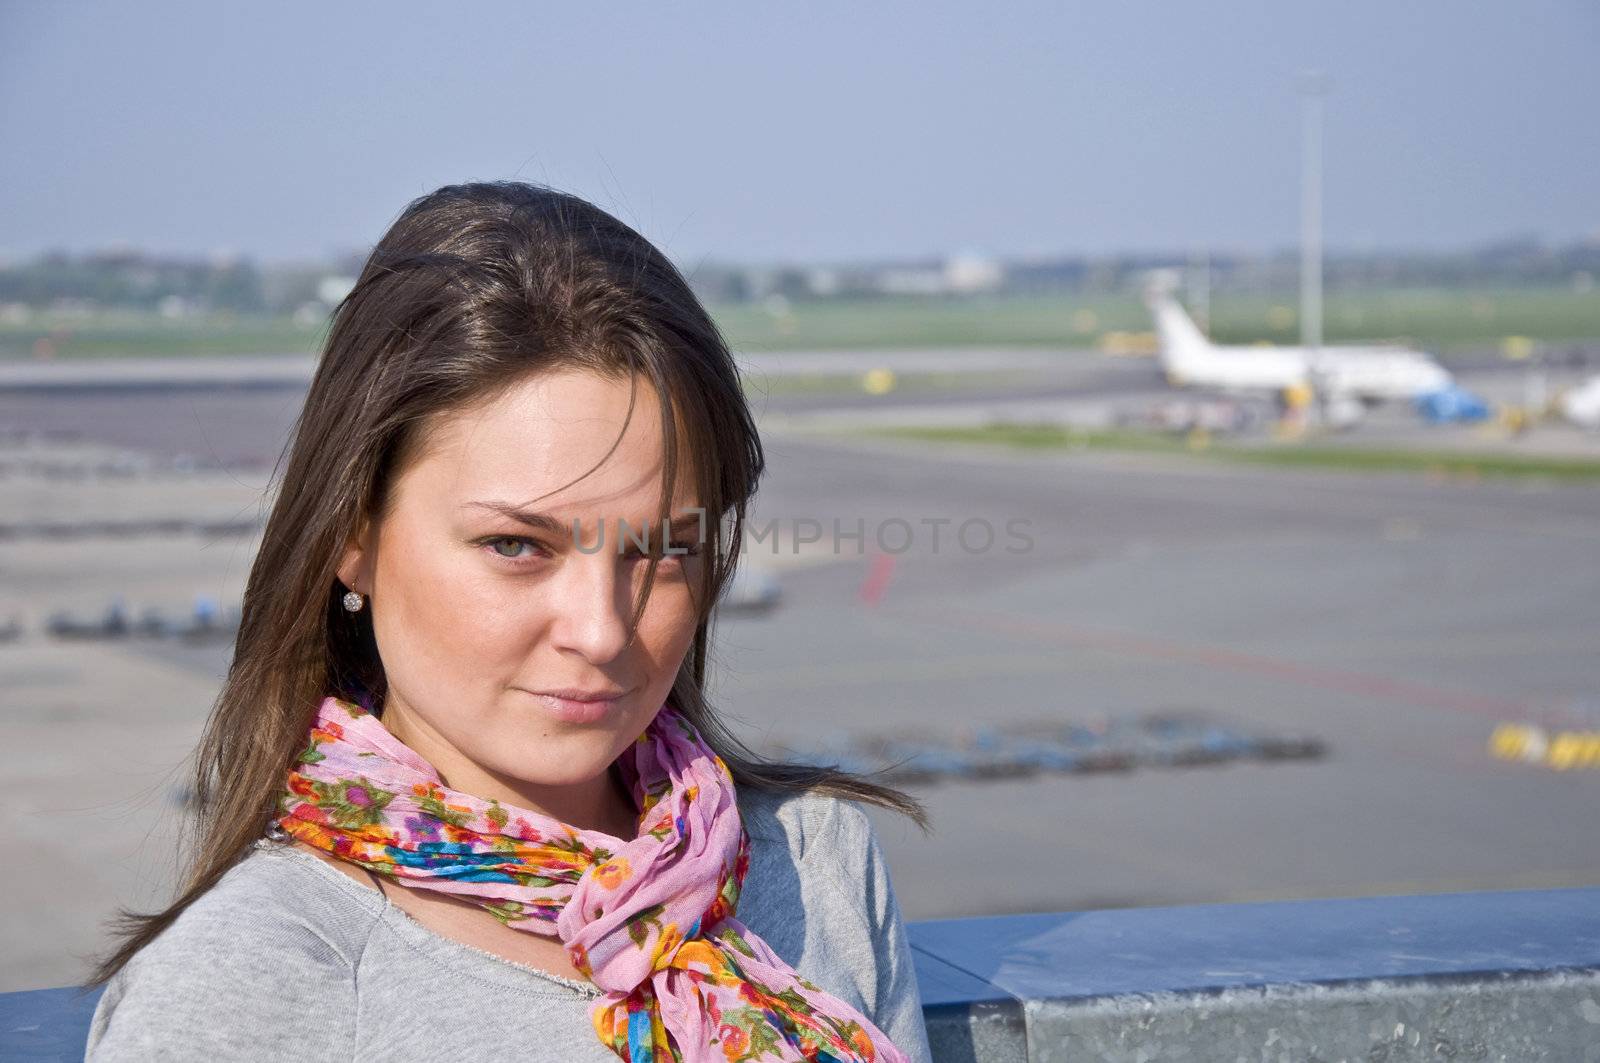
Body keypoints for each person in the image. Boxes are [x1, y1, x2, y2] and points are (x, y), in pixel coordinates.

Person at [85, 182, 935, 1062]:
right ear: (353, 538)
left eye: (662, 549)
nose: (601, 631)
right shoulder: (251, 989)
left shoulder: (814, 862)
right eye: (516, 545)